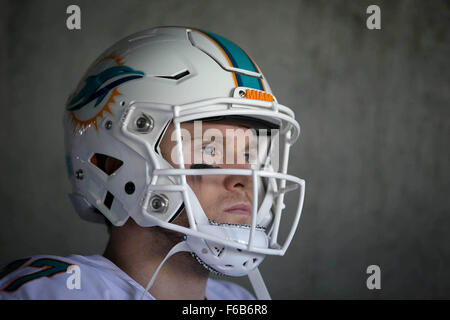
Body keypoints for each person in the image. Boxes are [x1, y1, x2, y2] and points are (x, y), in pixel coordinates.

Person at [0, 26, 305, 300]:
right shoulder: (56, 293)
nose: (246, 179)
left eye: (250, 156)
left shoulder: (238, 300)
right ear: (111, 163)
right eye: (209, 150)